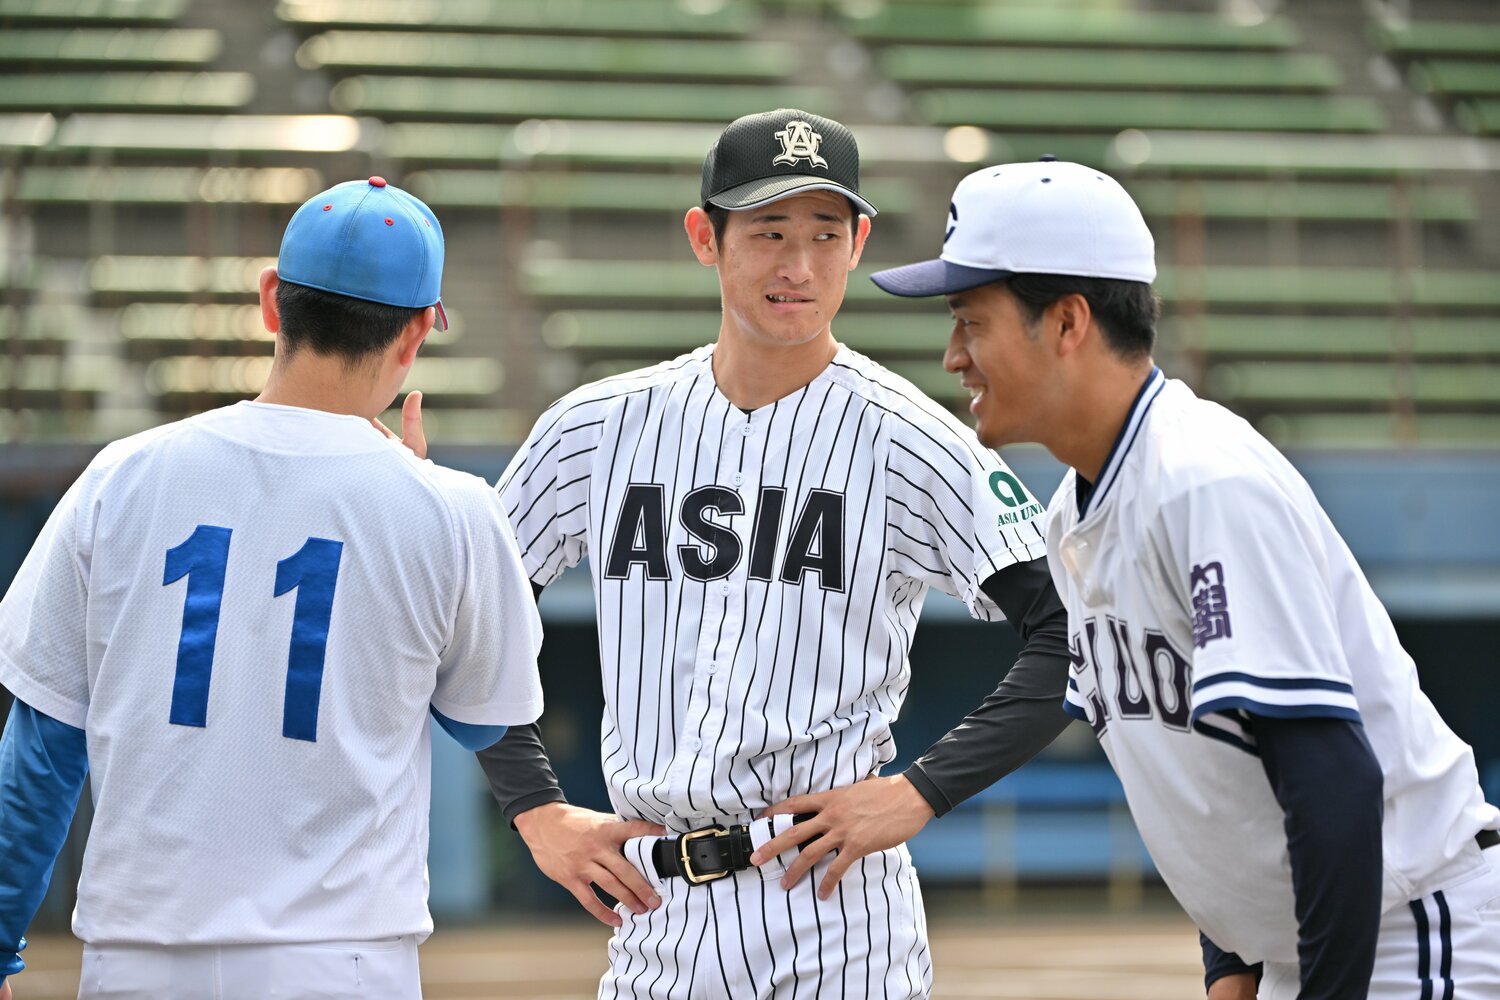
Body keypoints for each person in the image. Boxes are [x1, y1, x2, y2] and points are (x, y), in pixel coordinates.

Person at [474, 109, 1075, 996]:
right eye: (768, 232)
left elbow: (1071, 630)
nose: (798, 266)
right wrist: (531, 807)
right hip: (655, 915)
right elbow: (472, 615)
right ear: (704, 238)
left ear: (860, 241)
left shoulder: (910, 439)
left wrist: (917, 792)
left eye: (826, 234)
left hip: (833, 916)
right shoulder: (595, 429)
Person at [868, 157, 1500, 999]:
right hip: (1311, 942)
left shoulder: (1203, 481)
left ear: (1065, 323)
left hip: (1409, 934)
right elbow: (1196, 780)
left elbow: (1332, 775)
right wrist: (1231, 962)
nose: (954, 356)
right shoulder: (1073, 515)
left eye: (970, 320)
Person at [0, 177, 545, 1000]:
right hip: (343, 965)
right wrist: (418, 493)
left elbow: (40, 752)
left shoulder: (123, 475)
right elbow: (484, 722)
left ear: (271, 301)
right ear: (412, 338)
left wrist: (2, 940)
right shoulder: (455, 511)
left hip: (137, 962)